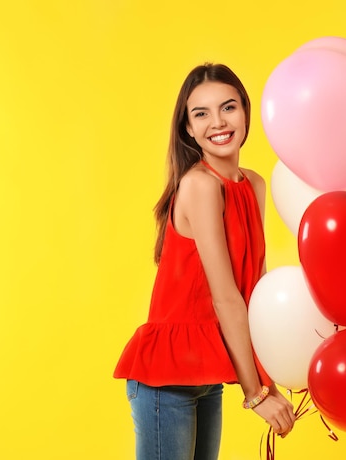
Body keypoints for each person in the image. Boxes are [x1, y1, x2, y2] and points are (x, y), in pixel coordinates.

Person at [113, 63, 295, 460]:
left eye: (228, 107)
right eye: (201, 114)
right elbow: (225, 297)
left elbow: (254, 291)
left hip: (207, 372)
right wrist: (256, 393)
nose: (218, 122)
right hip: (166, 379)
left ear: (246, 113)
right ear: (188, 130)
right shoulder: (199, 185)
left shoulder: (254, 184)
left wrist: (268, 380)